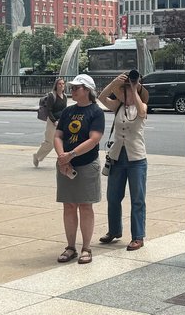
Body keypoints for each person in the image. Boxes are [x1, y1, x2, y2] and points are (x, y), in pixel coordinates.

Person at [54, 74, 105, 264]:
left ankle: (86, 248)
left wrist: (71, 154)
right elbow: (58, 135)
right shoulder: (68, 111)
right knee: (68, 205)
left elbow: (94, 139)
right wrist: (62, 157)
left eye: (77, 88)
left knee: (85, 205)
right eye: (72, 88)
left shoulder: (96, 112)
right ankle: (70, 247)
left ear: (87, 90)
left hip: (86, 164)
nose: (73, 90)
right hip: (66, 165)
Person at [98, 73, 149, 250]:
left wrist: (135, 88)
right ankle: (114, 231)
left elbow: (142, 112)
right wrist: (114, 82)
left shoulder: (142, 106)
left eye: (128, 90)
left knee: (137, 199)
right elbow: (101, 97)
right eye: (124, 90)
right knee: (113, 197)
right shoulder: (118, 106)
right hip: (117, 157)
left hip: (136, 158)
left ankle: (138, 236)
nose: (125, 93)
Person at [32, 78, 68, 167]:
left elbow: (65, 110)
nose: (61, 85)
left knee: (62, 141)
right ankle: (37, 156)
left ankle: (63, 160)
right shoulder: (52, 96)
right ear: (56, 85)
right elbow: (49, 110)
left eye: (63, 84)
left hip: (61, 121)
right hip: (52, 122)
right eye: (59, 84)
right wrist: (54, 121)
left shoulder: (65, 96)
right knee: (49, 142)